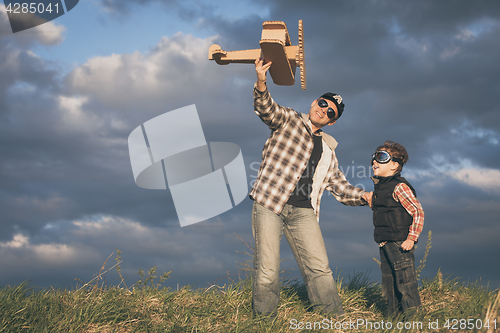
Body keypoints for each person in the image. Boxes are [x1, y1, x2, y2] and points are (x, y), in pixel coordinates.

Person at [250, 58, 371, 317]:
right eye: (323, 103)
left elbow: (339, 186)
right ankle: (264, 322)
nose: (324, 110)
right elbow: (266, 108)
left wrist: (364, 196)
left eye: (331, 113)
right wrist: (262, 81)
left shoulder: (328, 148)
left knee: (319, 268)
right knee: (268, 269)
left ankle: (333, 320)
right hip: (271, 202)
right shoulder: (289, 119)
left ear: (333, 121)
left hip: (304, 212)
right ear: (314, 102)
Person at [368, 141, 424, 316]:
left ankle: (414, 322)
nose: (374, 161)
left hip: (400, 242)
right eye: (374, 157)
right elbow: (387, 211)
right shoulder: (381, 187)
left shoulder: (399, 186)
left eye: (381, 157)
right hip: (385, 241)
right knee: (389, 285)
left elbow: (417, 212)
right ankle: (394, 321)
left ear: (395, 165)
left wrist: (411, 238)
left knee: (406, 284)